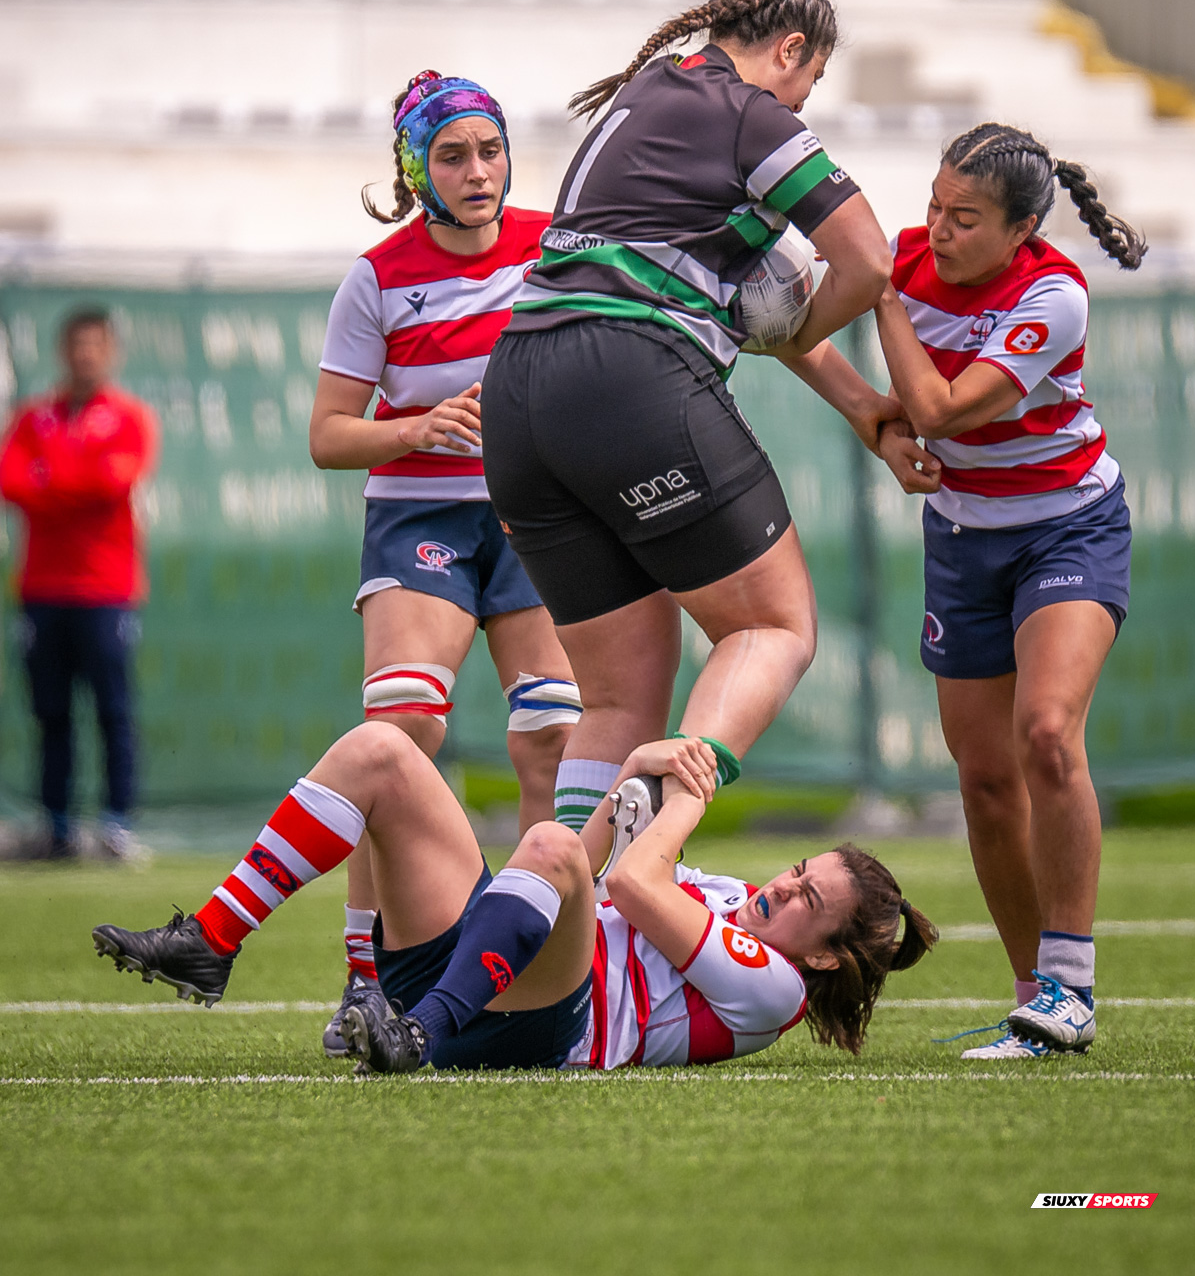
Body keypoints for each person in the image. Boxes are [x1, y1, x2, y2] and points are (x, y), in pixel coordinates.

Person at [481, 0, 896, 832]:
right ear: (790, 50)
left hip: (518, 394)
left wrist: (859, 403)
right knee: (775, 627)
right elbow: (869, 261)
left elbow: (703, 281)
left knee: (620, 698)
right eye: (808, 82)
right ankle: (654, 845)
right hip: (627, 377)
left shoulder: (644, 98)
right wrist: (785, 323)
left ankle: (556, 939)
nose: (801, 103)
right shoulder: (749, 115)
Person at [91, 728, 937, 1071]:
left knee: (547, 843)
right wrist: (638, 766)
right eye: (797, 869)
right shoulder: (735, 897)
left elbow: (633, 887)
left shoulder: (777, 990)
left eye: (805, 898)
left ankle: (417, 1030)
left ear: (823, 953)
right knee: (383, 748)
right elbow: (605, 877)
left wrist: (686, 804)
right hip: (501, 968)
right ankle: (217, 939)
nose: (783, 884)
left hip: (549, 1024)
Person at [308, 71, 582, 1056]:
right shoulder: (379, 277)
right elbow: (329, 437)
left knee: (551, 736)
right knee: (406, 727)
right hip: (421, 514)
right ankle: (362, 980)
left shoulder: (560, 246)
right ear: (416, 166)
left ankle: (545, 971)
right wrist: (420, 425)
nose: (477, 171)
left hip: (539, 515)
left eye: (491, 149)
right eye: (454, 154)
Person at [863, 124, 1143, 1059]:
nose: (937, 230)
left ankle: (1073, 986)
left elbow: (941, 409)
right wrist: (871, 424)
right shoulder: (903, 260)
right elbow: (797, 337)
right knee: (984, 780)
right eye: (934, 207)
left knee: (1048, 733)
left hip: (1069, 529)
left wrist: (881, 302)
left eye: (965, 218)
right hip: (962, 543)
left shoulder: (1051, 296)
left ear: (1021, 229)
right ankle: (1036, 1004)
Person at [0, 307, 158, 861]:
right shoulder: (31, 418)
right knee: (50, 712)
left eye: (95, 346)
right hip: (42, 588)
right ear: (62, 351)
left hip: (106, 589)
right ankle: (57, 825)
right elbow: (11, 481)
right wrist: (69, 479)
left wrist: (51, 478)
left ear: (110, 352)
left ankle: (117, 825)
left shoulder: (129, 418)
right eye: (76, 345)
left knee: (113, 710)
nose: (85, 356)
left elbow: (111, 482)